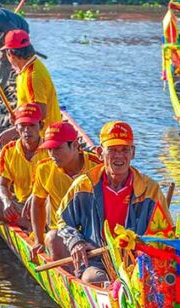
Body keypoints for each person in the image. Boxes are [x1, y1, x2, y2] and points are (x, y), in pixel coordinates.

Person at [56, 121, 172, 284]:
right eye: (112, 150)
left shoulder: (150, 190)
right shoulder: (84, 185)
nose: (119, 156)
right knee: (92, 278)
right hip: (97, 261)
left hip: (137, 262)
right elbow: (62, 221)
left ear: (133, 153)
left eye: (125, 150)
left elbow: (165, 233)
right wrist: (76, 242)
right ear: (100, 153)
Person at [30, 121, 102, 261]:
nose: (52, 154)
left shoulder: (97, 167)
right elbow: (38, 203)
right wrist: (38, 241)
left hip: (92, 233)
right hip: (61, 234)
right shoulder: (44, 169)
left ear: (75, 145)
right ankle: (69, 274)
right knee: (52, 237)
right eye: (49, 149)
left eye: (57, 148)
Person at [0, 103, 50, 229]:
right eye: (22, 126)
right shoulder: (8, 151)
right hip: (22, 207)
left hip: (45, 207)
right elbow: (2, 185)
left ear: (41, 126)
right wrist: (6, 201)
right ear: (16, 128)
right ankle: (27, 224)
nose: (27, 130)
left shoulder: (51, 151)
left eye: (32, 125)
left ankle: (39, 226)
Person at [2, 29, 61, 129]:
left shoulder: (33, 76)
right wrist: (17, 112)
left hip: (43, 135)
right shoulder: (29, 68)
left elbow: (40, 114)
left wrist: (12, 130)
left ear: (10, 54)